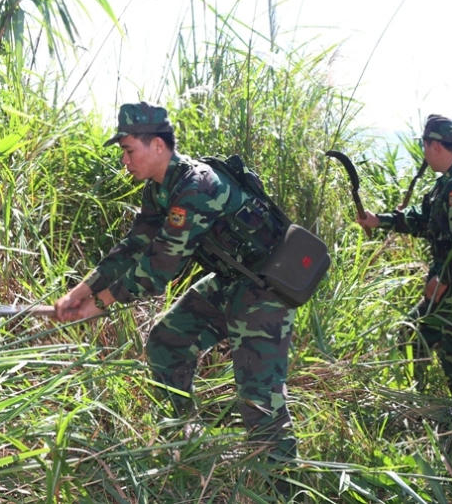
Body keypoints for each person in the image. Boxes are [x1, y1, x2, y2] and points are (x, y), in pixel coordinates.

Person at [54, 102, 298, 461]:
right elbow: (133, 247)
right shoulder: (159, 189)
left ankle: (282, 479)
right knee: (167, 343)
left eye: (129, 150)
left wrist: (100, 304)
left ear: (157, 145)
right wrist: (79, 292)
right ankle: (186, 441)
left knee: (258, 395)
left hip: (267, 288)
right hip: (233, 280)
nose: (124, 161)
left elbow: (159, 268)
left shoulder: (196, 186)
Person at [357, 114, 452, 409]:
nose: (423, 152)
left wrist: (442, 280)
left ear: (435, 145)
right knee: (412, 334)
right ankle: (421, 400)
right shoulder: (448, 183)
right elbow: (424, 221)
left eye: (424, 146)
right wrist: (378, 220)